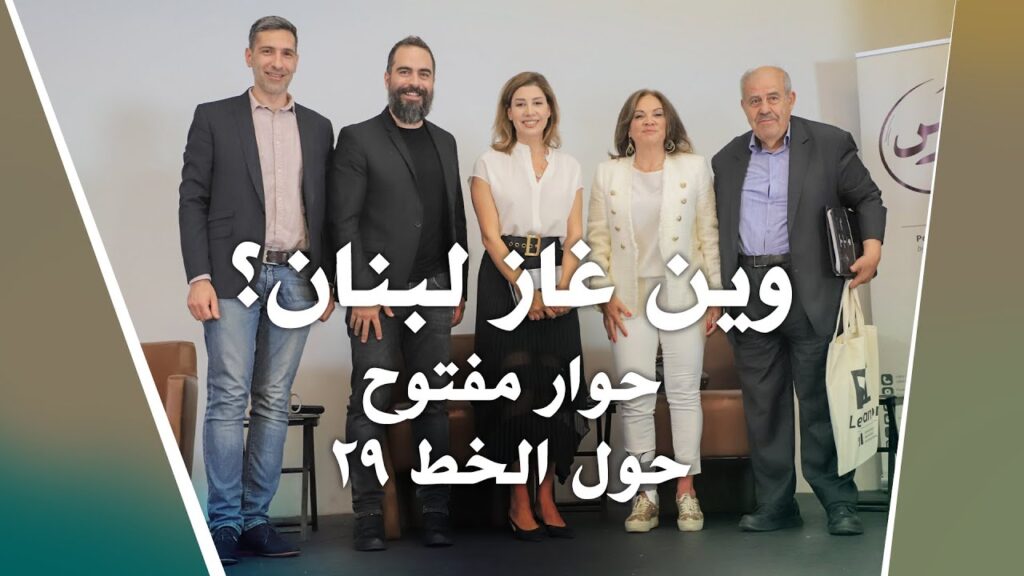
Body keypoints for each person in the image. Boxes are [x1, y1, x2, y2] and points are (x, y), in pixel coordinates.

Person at [178, 16, 335, 565]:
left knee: (272, 399)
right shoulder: (214, 117)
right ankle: (223, 521)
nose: (276, 61)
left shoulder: (318, 127)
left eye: (286, 53)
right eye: (267, 51)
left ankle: (255, 520)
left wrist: (325, 281)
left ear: (297, 60)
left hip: (296, 277)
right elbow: (192, 200)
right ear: (249, 56)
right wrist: (198, 275)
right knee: (228, 396)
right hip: (230, 275)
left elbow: (326, 210)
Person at [712, 66, 886, 535]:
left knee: (820, 400)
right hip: (748, 291)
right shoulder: (726, 159)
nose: (764, 108)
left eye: (773, 97)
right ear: (744, 107)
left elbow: (868, 198)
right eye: (754, 100)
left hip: (808, 288)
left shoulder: (829, 143)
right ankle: (775, 505)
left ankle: (838, 502)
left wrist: (872, 248)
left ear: (791, 99)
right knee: (763, 406)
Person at [329, 36, 468, 551]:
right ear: (388, 78)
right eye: (405, 72)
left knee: (433, 402)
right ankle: (368, 514)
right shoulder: (357, 138)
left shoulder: (445, 141)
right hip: (377, 298)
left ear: (433, 82)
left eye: (423, 74)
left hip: (434, 289)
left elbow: (455, 217)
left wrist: (458, 286)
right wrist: (361, 292)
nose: (414, 82)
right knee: (371, 401)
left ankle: (435, 511)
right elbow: (343, 222)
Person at [587, 89, 722, 533]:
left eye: (657, 114)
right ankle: (645, 493)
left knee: (684, 394)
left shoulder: (693, 167)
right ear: (628, 127)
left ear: (668, 123)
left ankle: (685, 492)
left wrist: (715, 295)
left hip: (683, 296)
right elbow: (597, 241)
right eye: (640, 115)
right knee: (635, 399)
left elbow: (708, 234)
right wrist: (604, 295)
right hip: (629, 299)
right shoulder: (607, 173)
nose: (649, 121)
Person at [470, 72, 588, 542]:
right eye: (519, 103)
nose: (529, 111)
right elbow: (489, 236)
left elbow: (575, 236)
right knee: (514, 389)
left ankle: (546, 495)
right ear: (508, 112)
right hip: (505, 278)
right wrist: (526, 289)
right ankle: (518, 497)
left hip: (558, 273)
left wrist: (560, 287)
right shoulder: (489, 162)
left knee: (554, 386)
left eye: (537, 102)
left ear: (550, 109)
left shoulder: (570, 166)